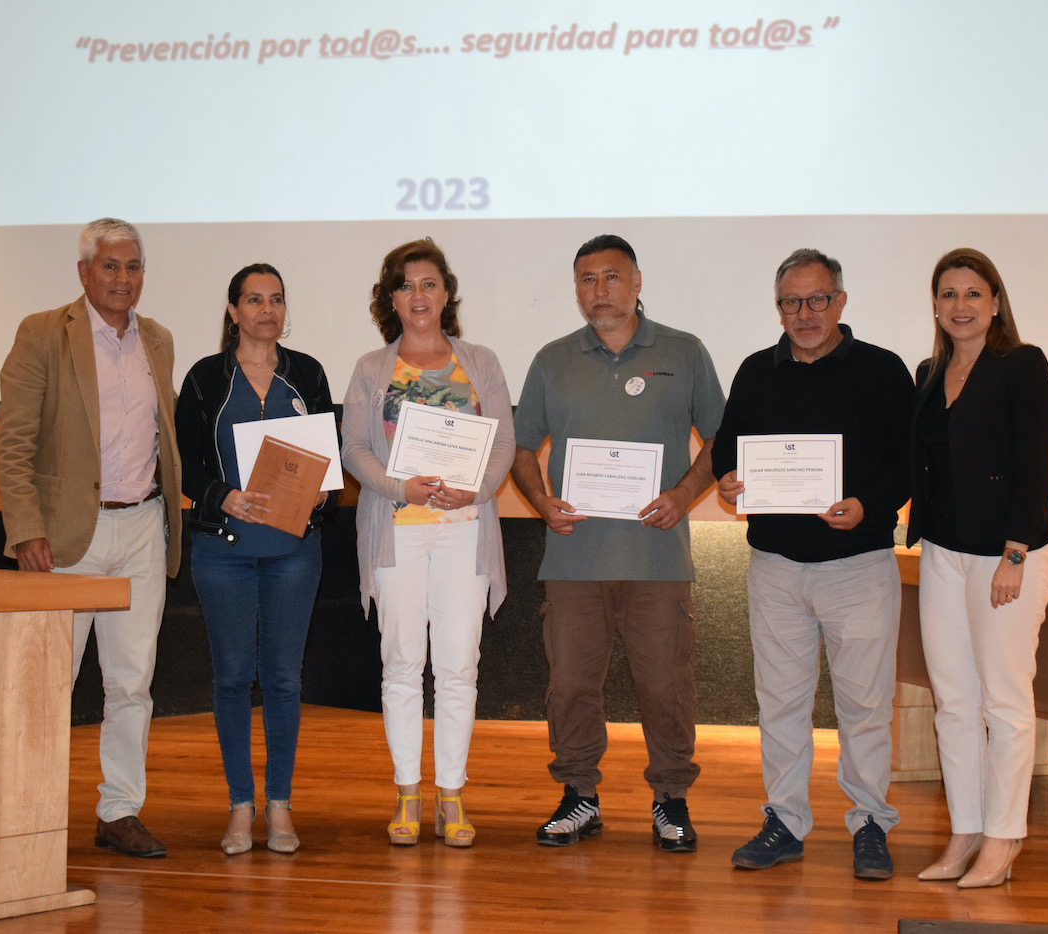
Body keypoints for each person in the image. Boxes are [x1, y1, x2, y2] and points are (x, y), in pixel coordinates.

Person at [511, 234, 724, 853]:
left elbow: (721, 437)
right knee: (571, 686)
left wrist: (683, 495)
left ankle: (671, 799)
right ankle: (579, 795)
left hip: (657, 558)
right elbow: (520, 447)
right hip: (574, 558)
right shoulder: (552, 359)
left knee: (666, 686)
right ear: (576, 289)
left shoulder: (684, 351)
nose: (599, 290)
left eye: (611, 276)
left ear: (636, 282)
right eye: (587, 279)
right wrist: (541, 501)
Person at [710, 248, 913, 880]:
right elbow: (726, 447)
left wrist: (868, 504)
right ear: (778, 308)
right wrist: (728, 480)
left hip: (860, 566)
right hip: (775, 567)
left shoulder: (883, 370)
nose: (805, 313)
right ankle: (785, 821)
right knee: (780, 704)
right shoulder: (755, 371)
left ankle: (871, 823)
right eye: (791, 302)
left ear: (840, 301)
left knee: (865, 707)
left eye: (817, 299)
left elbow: (910, 462)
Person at [0, 217, 182, 858]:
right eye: (110, 265)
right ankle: (29, 810)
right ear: (83, 272)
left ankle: (119, 810)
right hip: (67, 536)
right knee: (49, 682)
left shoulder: (157, 340)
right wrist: (26, 530)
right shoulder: (43, 333)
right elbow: (13, 442)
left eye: (132, 266)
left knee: (131, 683)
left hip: (142, 529)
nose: (122, 278)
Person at [341, 239, 515, 848]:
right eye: (405, 285)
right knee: (401, 665)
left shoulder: (481, 362)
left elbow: (503, 442)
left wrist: (477, 489)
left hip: (465, 530)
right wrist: (401, 486)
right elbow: (354, 450)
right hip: (398, 533)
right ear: (391, 299)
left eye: (429, 284)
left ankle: (452, 795)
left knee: (459, 666)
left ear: (446, 294)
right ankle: (407, 793)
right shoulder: (371, 368)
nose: (418, 295)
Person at [907, 247, 1048, 888]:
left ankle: (1003, 837)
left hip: (1007, 554)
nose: (960, 305)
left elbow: (1036, 463)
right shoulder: (927, 372)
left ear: (995, 301)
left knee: (1005, 700)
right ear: (936, 305)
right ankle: (965, 831)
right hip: (942, 552)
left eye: (973, 292)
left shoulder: (1022, 364)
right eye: (948, 294)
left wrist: (1014, 554)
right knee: (954, 702)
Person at [175, 263, 334, 856]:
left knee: (285, 679)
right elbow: (186, 465)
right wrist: (223, 496)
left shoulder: (308, 373)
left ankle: (280, 804)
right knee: (233, 678)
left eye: (276, 299)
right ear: (233, 310)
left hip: (294, 552)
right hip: (224, 553)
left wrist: (323, 491)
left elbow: (328, 457)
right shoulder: (203, 378)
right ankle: (241, 805)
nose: (267, 310)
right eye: (254, 299)